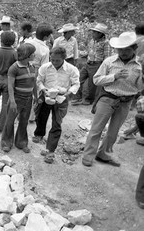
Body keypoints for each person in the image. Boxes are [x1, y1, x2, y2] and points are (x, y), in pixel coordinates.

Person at [81, 32, 143, 167]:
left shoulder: (139, 66)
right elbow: (96, 80)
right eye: (120, 49)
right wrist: (114, 77)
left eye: (127, 49)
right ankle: (88, 155)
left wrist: (142, 78)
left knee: (113, 132)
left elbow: (139, 88)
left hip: (126, 101)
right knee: (96, 129)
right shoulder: (109, 61)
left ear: (134, 48)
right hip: (108, 98)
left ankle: (103, 153)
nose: (123, 52)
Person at [33, 47, 80, 163]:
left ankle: (50, 150)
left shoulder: (72, 69)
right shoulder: (45, 67)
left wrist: (69, 93)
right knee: (40, 116)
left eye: (57, 60)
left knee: (56, 124)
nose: (54, 62)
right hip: (47, 95)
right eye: (52, 59)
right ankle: (39, 134)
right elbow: (39, 80)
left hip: (61, 98)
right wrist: (43, 90)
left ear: (64, 58)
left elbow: (76, 84)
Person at [1, 43, 37, 153]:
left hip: (28, 98)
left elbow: (33, 83)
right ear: (27, 55)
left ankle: (21, 142)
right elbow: (10, 85)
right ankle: (6, 142)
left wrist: (35, 95)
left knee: (24, 121)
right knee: (10, 121)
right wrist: (12, 101)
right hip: (17, 98)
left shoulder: (32, 67)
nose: (34, 55)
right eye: (33, 53)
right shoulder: (14, 68)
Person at [72, 23, 111, 106]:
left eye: (94, 32)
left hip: (97, 64)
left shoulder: (106, 43)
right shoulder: (92, 41)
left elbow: (107, 57)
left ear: (100, 33)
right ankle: (77, 97)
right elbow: (89, 52)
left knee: (92, 84)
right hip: (88, 63)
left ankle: (89, 100)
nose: (92, 34)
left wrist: (104, 68)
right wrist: (81, 53)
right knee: (79, 78)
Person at [26, 23, 53, 123]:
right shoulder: (45, 49)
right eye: (49, 35)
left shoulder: (28, 42)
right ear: (46, 37)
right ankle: (31, 116)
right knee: (34, 93)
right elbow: (44, 66)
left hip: (24, 68)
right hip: (36, 71)